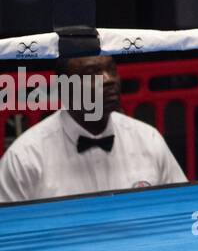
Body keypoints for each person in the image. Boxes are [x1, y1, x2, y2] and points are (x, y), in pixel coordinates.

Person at [0, 56, 186, 203]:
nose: (109, 80)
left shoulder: (148, 138)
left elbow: (183, 207)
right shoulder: (25, 157)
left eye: (112, 70)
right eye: (91, 74)